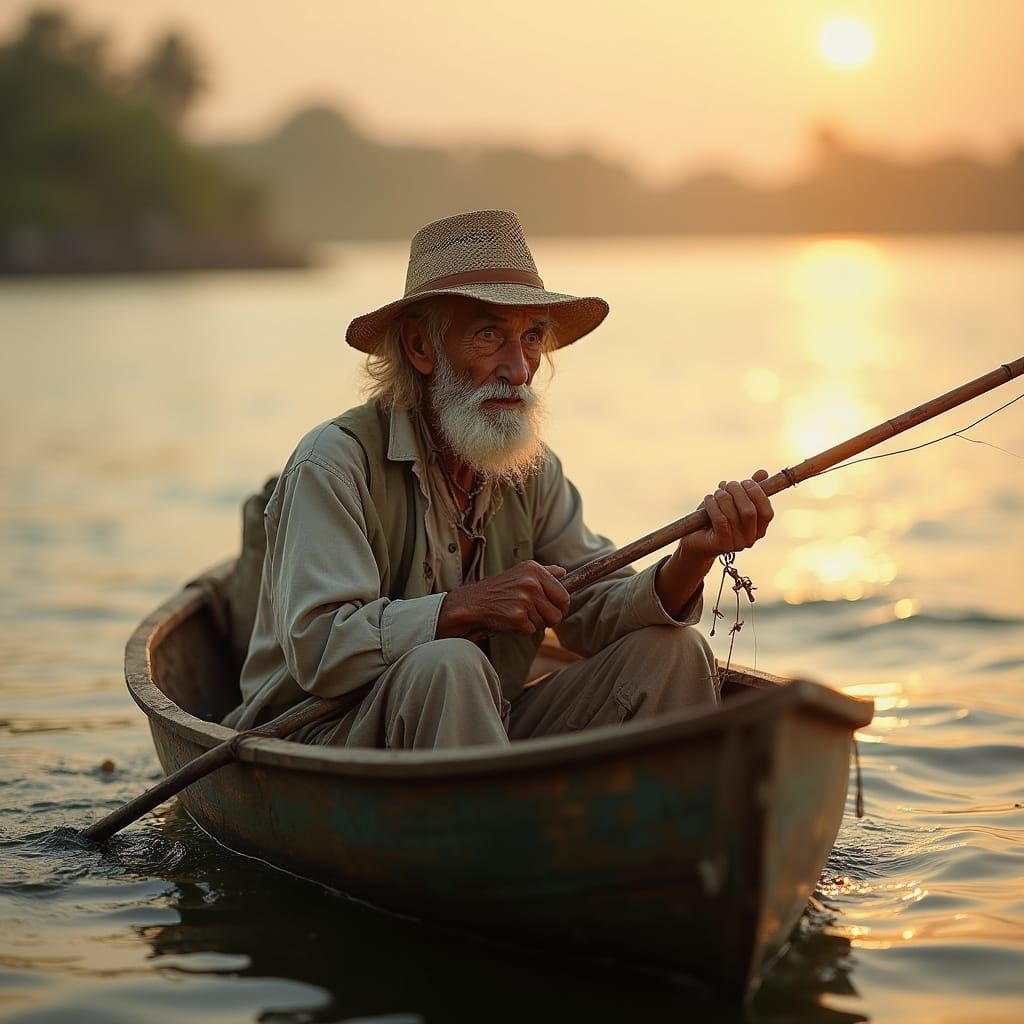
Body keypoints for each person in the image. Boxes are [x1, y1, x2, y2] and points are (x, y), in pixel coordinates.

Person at [223, 210, 774, 748]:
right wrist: (465, 606)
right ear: (421, 348)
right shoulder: (335, 463)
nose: (519, 367)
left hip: (480, 724)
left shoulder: (528, 469)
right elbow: (320, 650)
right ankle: (494, 829)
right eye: (490, 335)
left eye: (532, 337)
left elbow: (593, 609)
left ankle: (666, 832)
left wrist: (692, 557)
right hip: (317, 739)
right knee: (448, 664)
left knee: (673, 653)